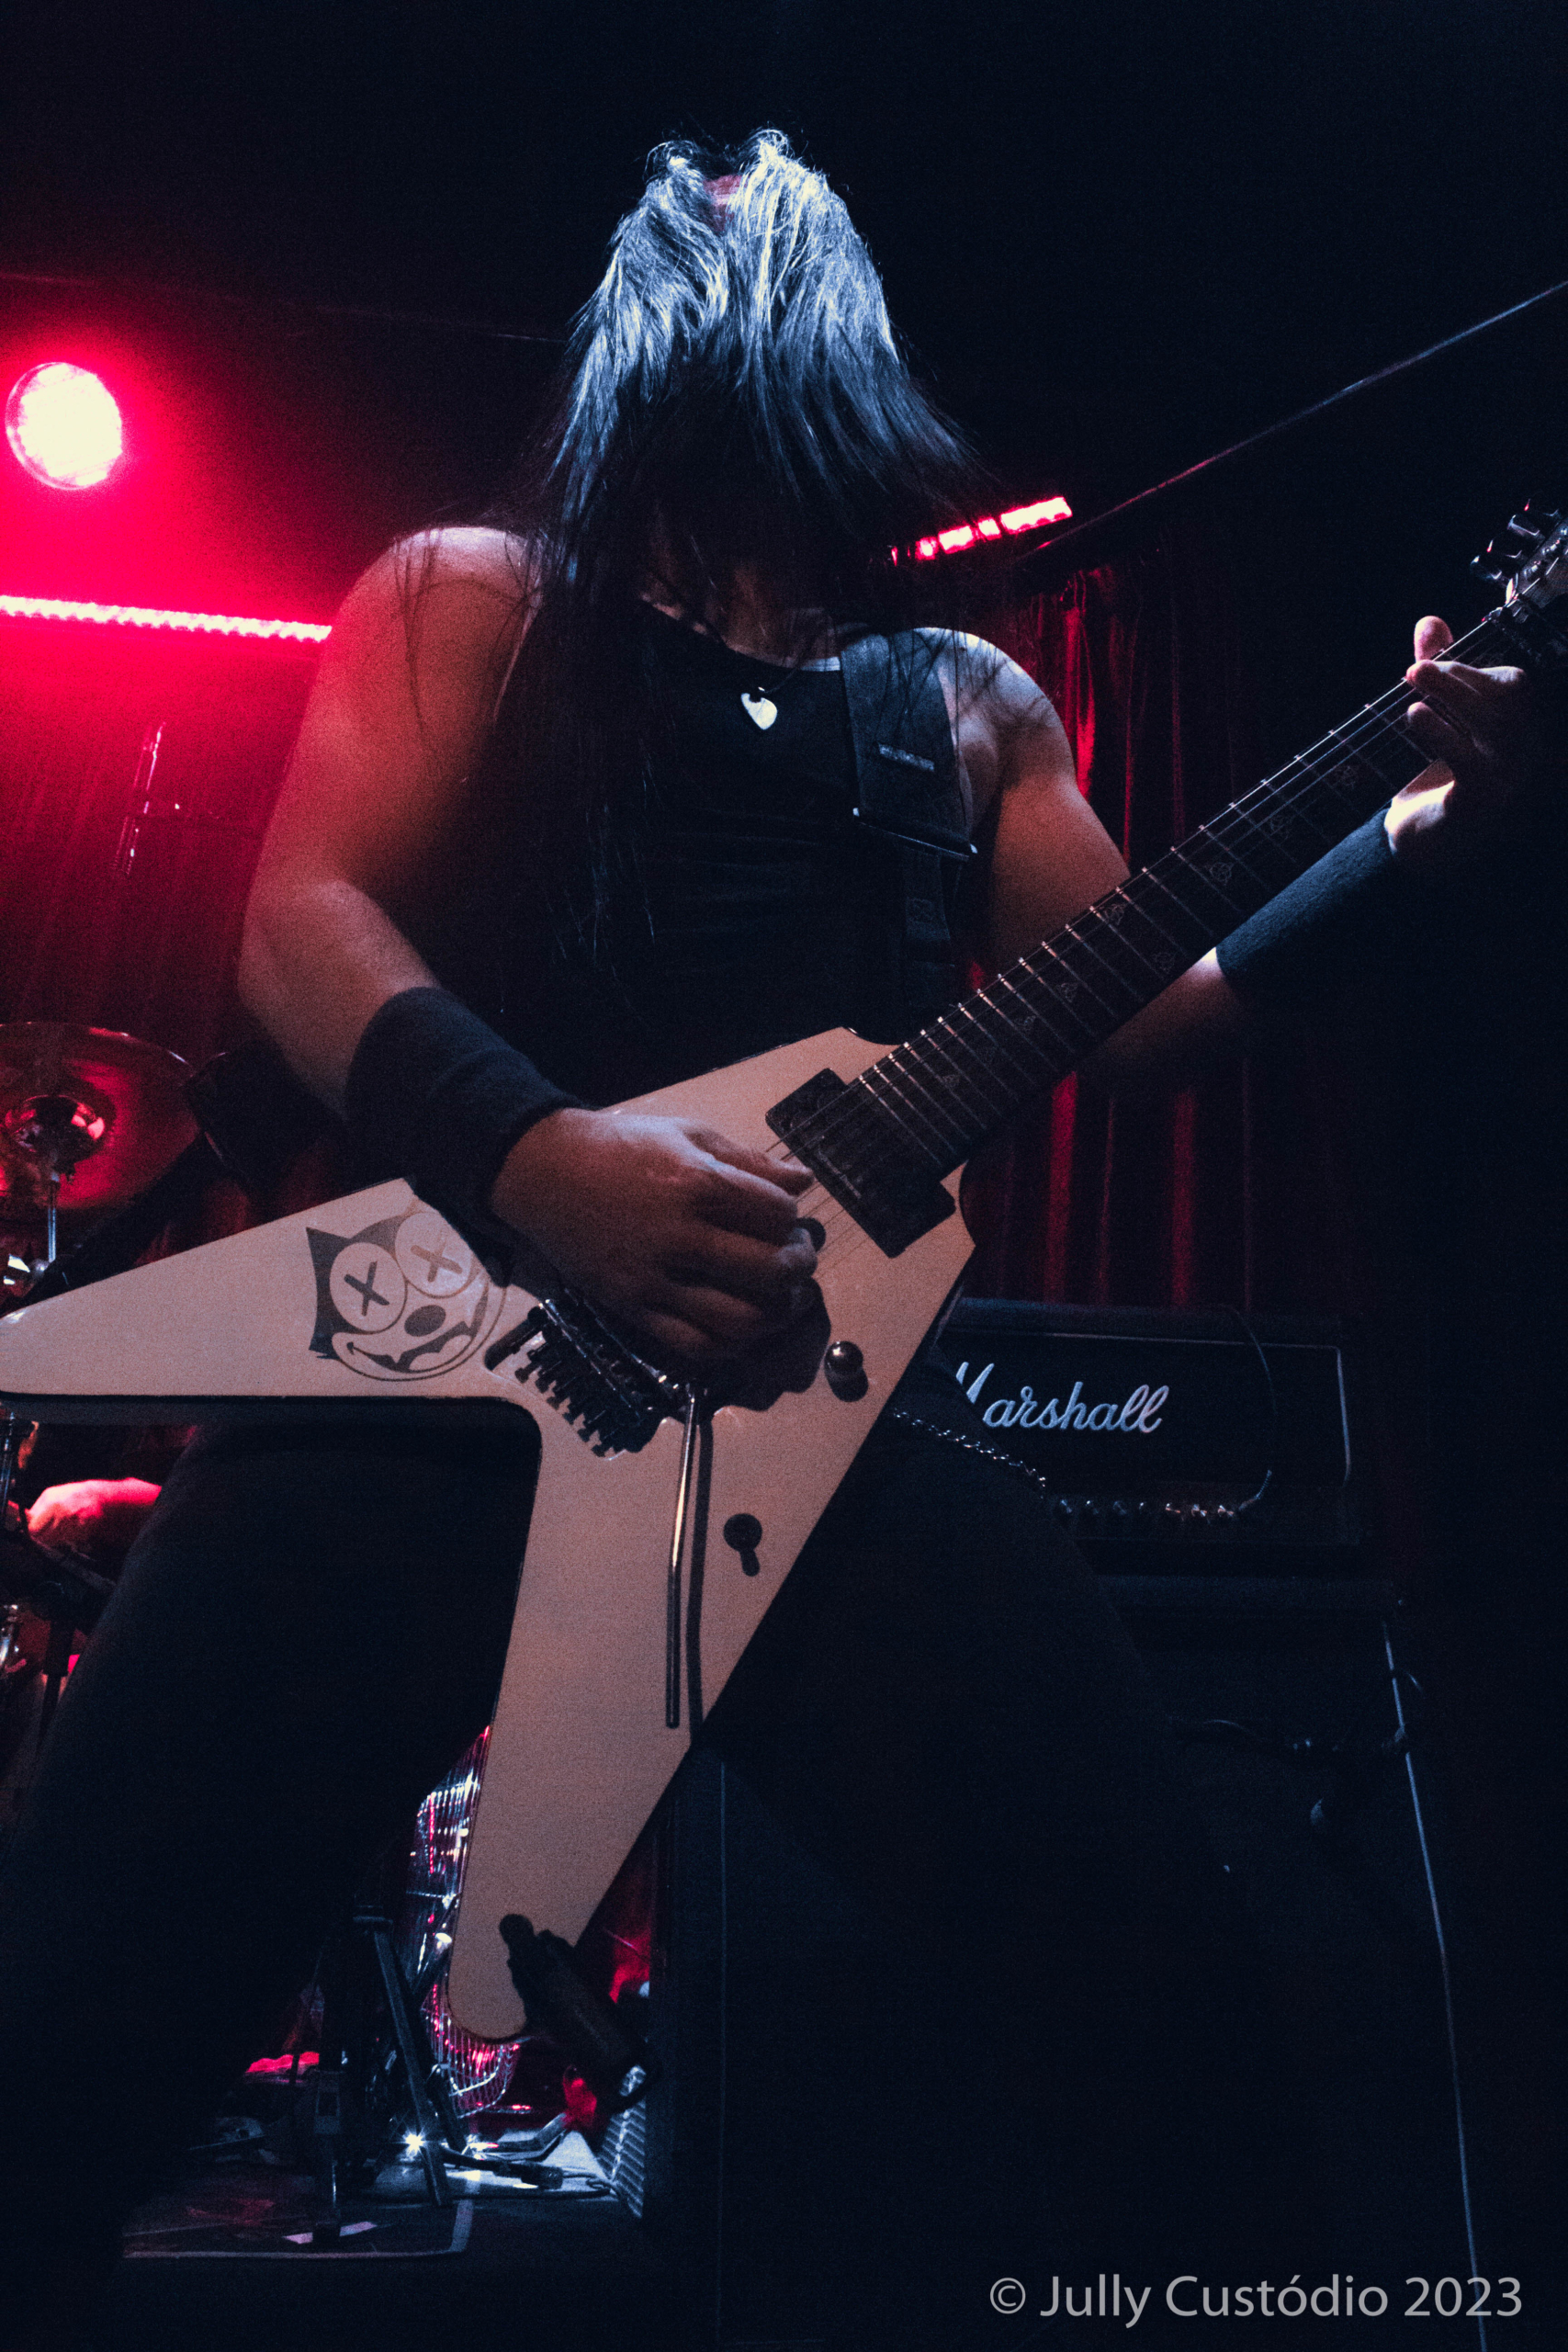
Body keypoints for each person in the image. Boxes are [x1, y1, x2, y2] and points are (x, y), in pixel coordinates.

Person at [0, 133, 1540, 2351]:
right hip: (420, 1393)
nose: (733, 199)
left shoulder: (962, 704)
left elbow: (1158, 1015)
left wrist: (1414, 834)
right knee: (71, 2010)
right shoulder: (468, 599)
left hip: (804, 1435)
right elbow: (302, 923)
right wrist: (546, 1162)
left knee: (1176, 2030)